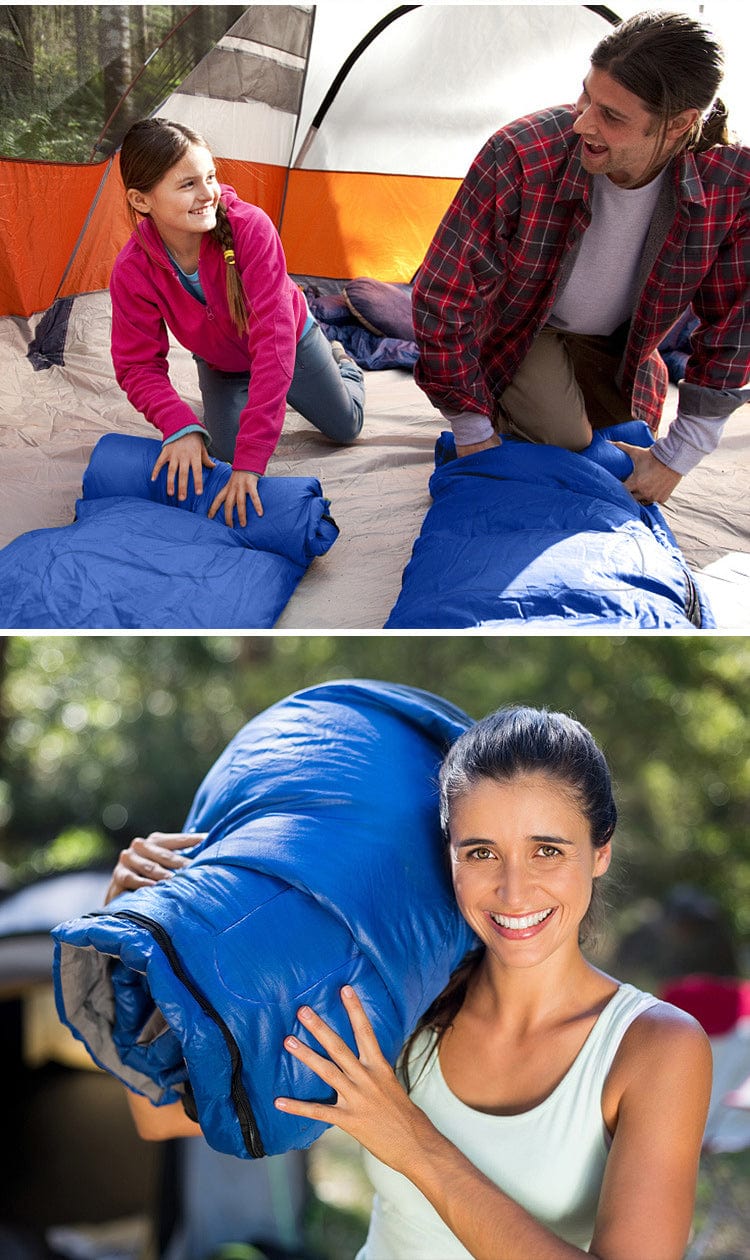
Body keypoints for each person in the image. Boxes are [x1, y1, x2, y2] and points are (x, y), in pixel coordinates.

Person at [120, 707, 712, 1259]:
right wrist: (130, 934)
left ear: (600, 852)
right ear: (448, 855)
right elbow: (159, 1116)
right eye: (481, 853)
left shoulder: (655, 1049)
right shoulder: (403, 1002)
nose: (513, 890)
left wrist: (413, 1142)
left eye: (547, 850)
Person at [412, 10, 750, 505]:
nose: (583, 122)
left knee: (624, 456)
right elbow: (441, 296)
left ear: (679, 125)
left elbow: (736, 325)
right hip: (518, 332)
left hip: (622, 348)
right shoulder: (521, 154)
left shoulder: (731, 184)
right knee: (565, 440)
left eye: (612, 116)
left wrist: (678, 457)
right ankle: (502, 407)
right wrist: (471, 428)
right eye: (587, 95)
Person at [110, 118, 365, 527]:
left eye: (209, 176)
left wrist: (253, 461)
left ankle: (342, 361)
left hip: (289, 344)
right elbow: (137, 366)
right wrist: (180, 425)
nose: (207, 193)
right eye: (187, 184)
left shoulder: (251, 229)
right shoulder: (132, 270)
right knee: (221, 457)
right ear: (142, 201)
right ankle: (250, 407)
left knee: (346, 427)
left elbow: (273, 346)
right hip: (222, 366)